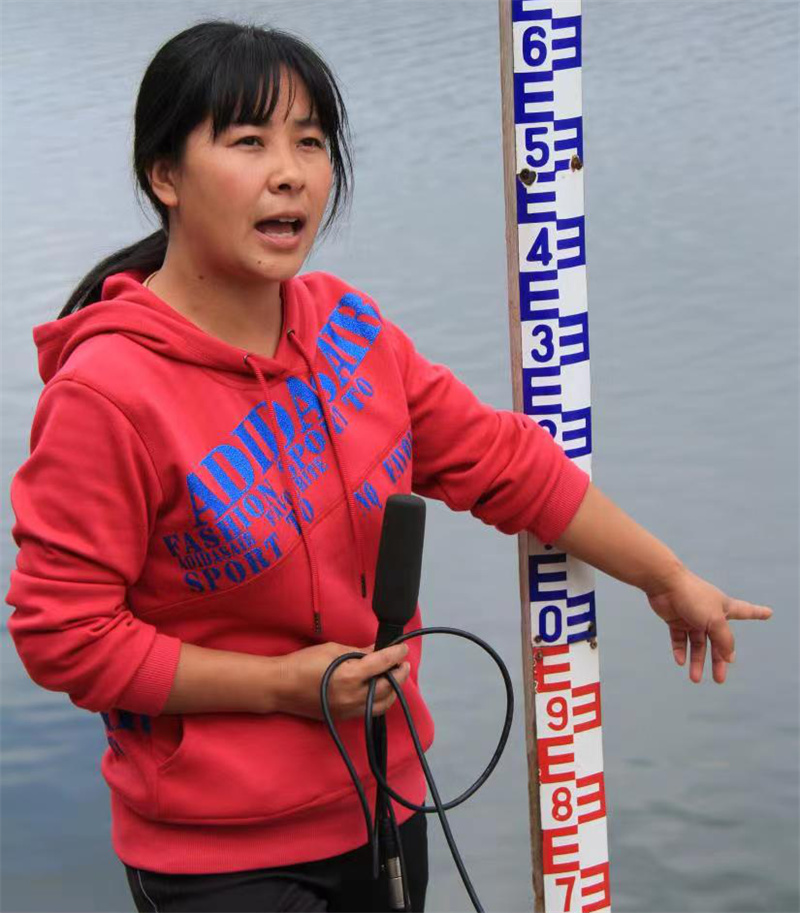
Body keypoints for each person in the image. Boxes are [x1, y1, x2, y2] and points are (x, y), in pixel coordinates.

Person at [4, 19, 772, 913]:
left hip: (388, 804)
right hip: (220, 857)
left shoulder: (349, 331)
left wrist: (666, 577)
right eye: (248, 142)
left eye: (310, 142)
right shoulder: (106, 394)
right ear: (164, 175)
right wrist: (284, 687)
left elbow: (505, 461)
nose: (290, 172)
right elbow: (66, 634)